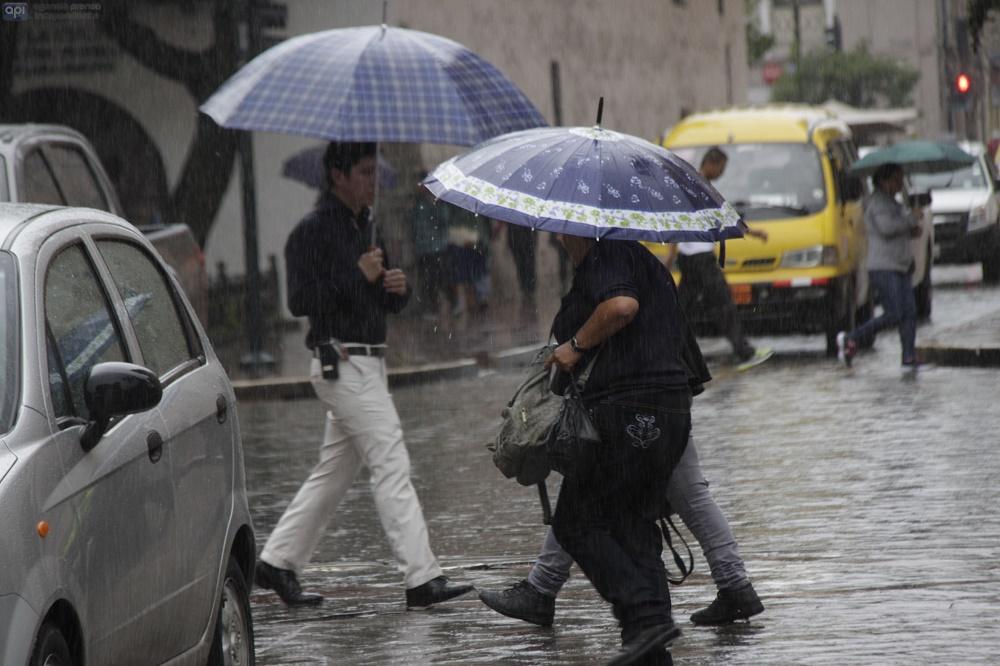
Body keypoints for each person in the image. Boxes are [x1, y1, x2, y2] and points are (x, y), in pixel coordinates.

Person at [255, 142, 473, 609]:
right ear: (337, 175)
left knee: (334, 472)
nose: (372, 180)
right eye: (363, 171)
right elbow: (300, 302)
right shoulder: (310, 232)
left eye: (376, 171)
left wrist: (397, 288)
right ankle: (421, 576)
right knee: (391, 460)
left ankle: (276, 562)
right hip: (340, 362)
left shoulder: (369, 225)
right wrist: (358, 275)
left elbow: (382, 301)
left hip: (372, 361)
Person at [536, 234, 699, 665]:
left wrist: (574, 345)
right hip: (666, 409)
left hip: (631, 409)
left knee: (576, 521)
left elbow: (621, 307)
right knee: (633, 526)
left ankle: (644, 618)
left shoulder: (609, 255)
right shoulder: (632, 258)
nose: (554, 233)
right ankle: (652, 647)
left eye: (558, 225)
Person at [479, 432, 764, 629]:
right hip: (662, 387)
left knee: (584, 492)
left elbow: (603, 341)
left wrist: (574, 348)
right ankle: (734, 586)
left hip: (636, 395)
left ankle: (543, 588)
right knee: (689, 491)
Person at [665, 147, 773, 371]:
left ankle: (666, 352)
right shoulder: (699, 186)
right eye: (722, 168)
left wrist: (672, 255)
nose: (722, 173)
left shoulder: (694, 184)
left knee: (683, 309)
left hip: (690, 258)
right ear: (712, 164)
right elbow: (725, 216)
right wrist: (753, 232)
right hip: (700, 258)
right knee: (723, 304)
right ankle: (744, 352)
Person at [837, 162, 922, 368]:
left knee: (909, 313)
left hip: (900, 265)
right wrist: (911, 219)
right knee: (893, 313)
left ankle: (908, 355)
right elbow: (886, 228)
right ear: (884, 181)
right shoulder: (877, 203)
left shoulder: (894, 202)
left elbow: (897, 229)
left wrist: (911, 229)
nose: (900, 184)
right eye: (896, 179)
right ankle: (852, 338)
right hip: (884, 267)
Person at [408, 172, 453, 320]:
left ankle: (448, 304)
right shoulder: (417, 203)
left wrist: (434, 204)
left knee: (437, 278)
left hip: (437, 247)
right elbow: (412, 223)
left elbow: (444, 220)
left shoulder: (437, 202)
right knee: (426, 279)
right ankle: (431, 307)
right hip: (422, 248)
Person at [506, 223, 537, 315]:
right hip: (520, 241)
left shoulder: (522, 220)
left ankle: (528, 288)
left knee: (526, 265)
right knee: (522, 266)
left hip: (524, 242)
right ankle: (526, 288)